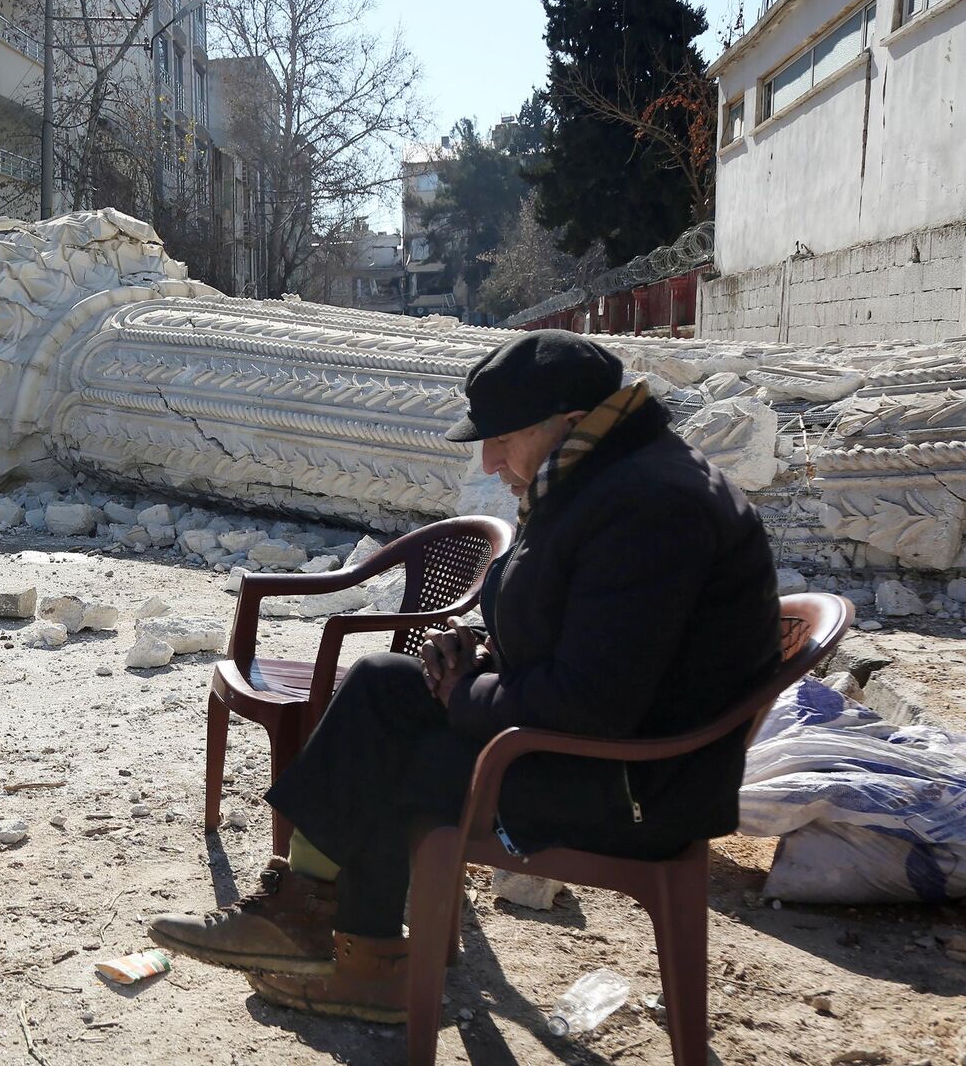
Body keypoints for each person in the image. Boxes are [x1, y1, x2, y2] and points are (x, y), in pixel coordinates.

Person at [147, 330, 781, 1021]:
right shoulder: (604, 474)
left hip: (630, 789)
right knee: (383, 681)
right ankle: (307, 910)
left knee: (389, 759)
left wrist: (464, 691)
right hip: (591, 752)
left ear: (568, 421)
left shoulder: (652, 505)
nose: (489, 458)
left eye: (503, 437)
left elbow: (592, 704)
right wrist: (477, 653)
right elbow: (588, 637)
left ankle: (360, 962)